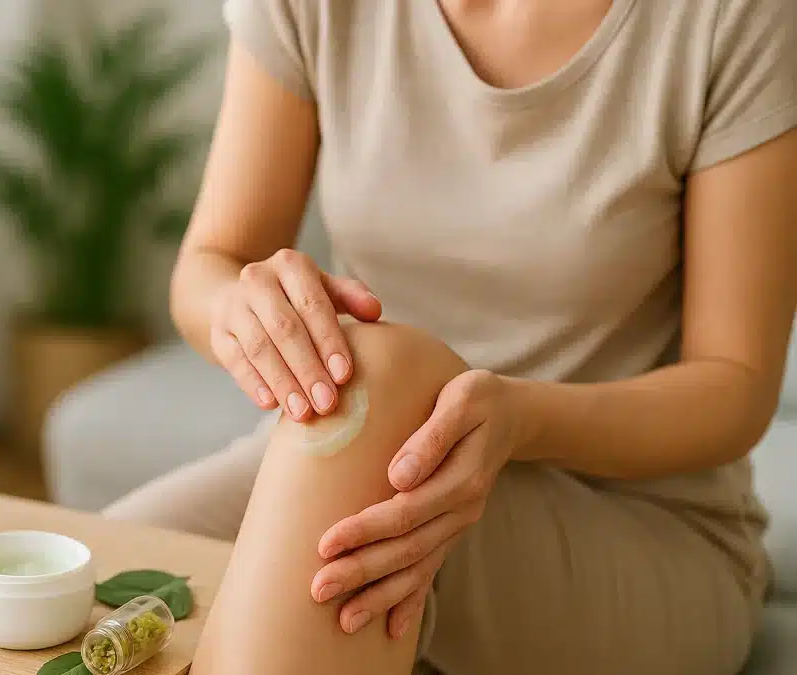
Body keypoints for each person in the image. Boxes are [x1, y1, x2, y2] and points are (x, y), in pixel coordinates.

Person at [103, 1, 797, 673]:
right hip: (356, 466)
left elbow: (734, 386)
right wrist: (244, 308)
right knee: (80, 598)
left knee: (383, 377)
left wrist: (517, 420)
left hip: (636, 519)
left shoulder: (732, 17)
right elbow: (209, 268)